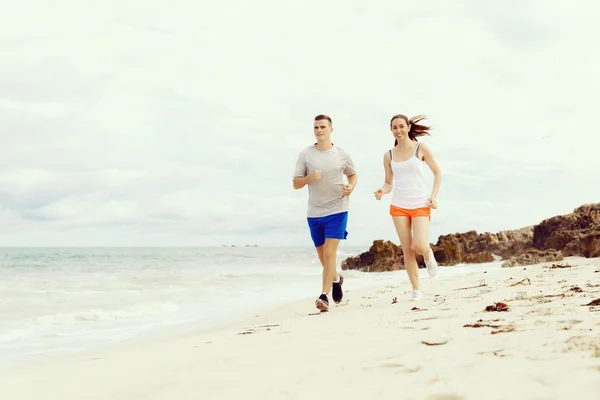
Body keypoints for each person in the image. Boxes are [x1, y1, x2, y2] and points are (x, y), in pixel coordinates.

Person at [293, 114, 358, 311]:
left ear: (331, 130)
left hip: (338, 209)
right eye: (316, 127)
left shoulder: (341, 154)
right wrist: (309, 177)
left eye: (323, 127)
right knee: (323, 258)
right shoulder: (306, 155)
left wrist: (351, 187)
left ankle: (324, 296)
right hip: (314, 212)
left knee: (330, 253)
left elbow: (353, 174)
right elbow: (296, 183)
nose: (319, 130)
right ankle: (337, 279)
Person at [373, 114, 442, 301]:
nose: (398, 130)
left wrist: (433, 197)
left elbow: (437, 173)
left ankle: (428, 255)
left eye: (401, 126)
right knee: (407, 249)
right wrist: (382, 191)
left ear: (409, 127)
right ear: (391, 130)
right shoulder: (388, 155)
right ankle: (416, 289)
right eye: (394, 127)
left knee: (419, 245)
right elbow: (388, 183)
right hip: (399, 206)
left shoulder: (421, 148)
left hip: (420, 203)